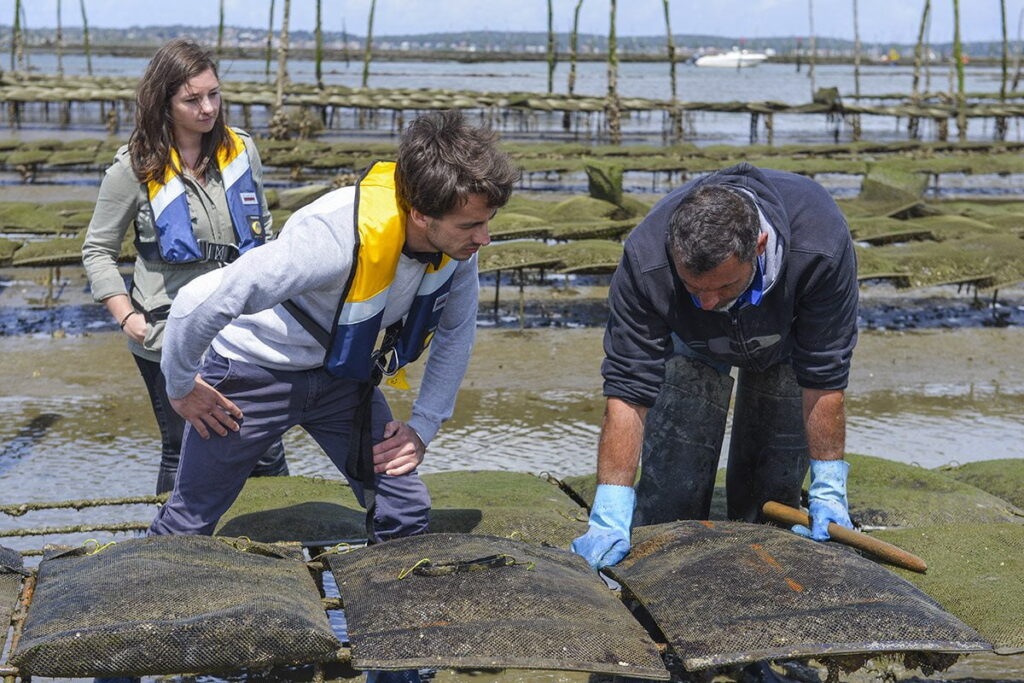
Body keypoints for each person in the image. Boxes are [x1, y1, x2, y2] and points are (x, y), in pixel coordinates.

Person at [148, 110, 519, 546]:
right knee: (190, 518)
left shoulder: (458, 251)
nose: (484, 238)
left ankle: (386, 608)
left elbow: (456, 335)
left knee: (405, 508)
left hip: (343, 380)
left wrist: (422, 427)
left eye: (488, 221)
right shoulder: (331, 237)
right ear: (420, 214)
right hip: (252, 373)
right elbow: (197, 301)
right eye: (472, 225)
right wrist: (180, 386)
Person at [571, 162, 859, 570]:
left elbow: (824, 376)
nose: (707, 301)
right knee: (670, 504)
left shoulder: (820, 244)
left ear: (758, 247)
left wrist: (829, 487)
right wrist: (610, 508)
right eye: (694, 287)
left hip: (785, 337)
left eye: (722, 286)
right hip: (689, 342)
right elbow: (628, 391)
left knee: (767, 506)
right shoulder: (646, 258)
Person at [81, 39, 287, 496]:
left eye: (214, 94)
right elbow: (97, 250)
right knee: (183, 446)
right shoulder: (133, 167)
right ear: (164, 102)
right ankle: (171, 557)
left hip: (242, 329)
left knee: (266, 448)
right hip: (164, 330)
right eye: (192, 99)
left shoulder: (242, 152)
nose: (208, 107)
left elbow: (266, 238)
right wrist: (126, 317)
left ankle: (287, 558)